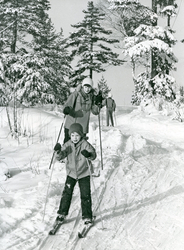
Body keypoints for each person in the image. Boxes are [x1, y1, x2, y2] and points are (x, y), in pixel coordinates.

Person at [54, 123, 96, 225]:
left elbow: (93, 155)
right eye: (72, 135)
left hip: (84, 173)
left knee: (85, 195)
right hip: (71, 173)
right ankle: (62, 213)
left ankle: (87, 216)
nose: (75, 138)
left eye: (77, 135)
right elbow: (60, 157)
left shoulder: (85, 144)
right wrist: (58, 152)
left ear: (81, 135)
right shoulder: (68, 145)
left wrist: (89, 154)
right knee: (67, 194)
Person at [62, 77, 102, 143]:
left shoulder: (92, 97)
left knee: (81, 146)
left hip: (82, 127)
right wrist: (67, 109)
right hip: (71, 124)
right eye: (86, 87)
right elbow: (68, 104)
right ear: (83, 86)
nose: (87, 89)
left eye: (89, 87)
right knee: (68, 144)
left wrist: (98, 104)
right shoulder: (76, 94)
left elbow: (95, 111)